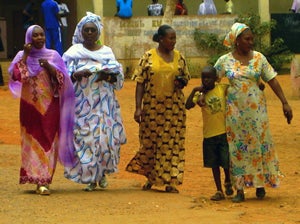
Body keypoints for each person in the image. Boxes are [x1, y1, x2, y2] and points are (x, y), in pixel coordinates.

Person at [214, 22, 293, 203]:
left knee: (259, 145)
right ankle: (240, 189)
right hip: (235, 115)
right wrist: (201, 94)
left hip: (258, 114)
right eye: (247, 39)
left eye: (252, 39)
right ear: (236, 41)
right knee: (238, 149)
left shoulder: (259, 58)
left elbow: (272, 79)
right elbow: (213, 80)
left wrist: (285, 102)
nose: (251, 42)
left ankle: (259, 185)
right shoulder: (224, 61)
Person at [8, 25, 75, 195]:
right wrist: (25, 55)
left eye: (41, 35)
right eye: (35, 35)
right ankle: (35, 178)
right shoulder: (21, 57)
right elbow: (18, 76)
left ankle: (44, 180)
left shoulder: (53, 56)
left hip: (50, 107)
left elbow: (63, 81)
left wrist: (49, 67)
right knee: (31, 141)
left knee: (49, 140)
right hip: (29, 108)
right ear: (29, 38)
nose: (39, 38)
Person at [63, 12, 127, 191]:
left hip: (105, 106)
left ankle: (103, 173)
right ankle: (91, 177)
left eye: (93, 30)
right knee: (87, 139)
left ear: (98, 32)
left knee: (105, 140)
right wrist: (77, 74)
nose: (90, 33)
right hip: (82, 107)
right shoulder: (73, 53)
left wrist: (107, 75)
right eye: (86, 30)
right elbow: (62, 76)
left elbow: (118, 79)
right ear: (81, 32)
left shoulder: (107, 52)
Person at [126, 24, 190, 193]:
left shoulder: (179, 57)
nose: (174, 42)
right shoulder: (148, 57)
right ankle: (151, 177)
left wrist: (181, 82)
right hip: (151, 109)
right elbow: (140, 83)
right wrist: (138, 108)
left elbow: (185, 78)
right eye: (171, 38)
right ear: (161, 39)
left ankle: (170, 181)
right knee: (150, 144)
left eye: (175, 38)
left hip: (174, 109)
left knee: (172, 145)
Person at [185, 66, 233, 201]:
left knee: (226, 161)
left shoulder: (221, 88)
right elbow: (187, 105)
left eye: (209, 78)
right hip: (209, 135)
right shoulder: (200, 94)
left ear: (215, 79)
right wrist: (195, 90)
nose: (206, 80)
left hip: (223, 133)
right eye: (203, 78)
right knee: (214, 164)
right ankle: (219, 190)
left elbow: (235, 89)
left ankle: (228, 180)